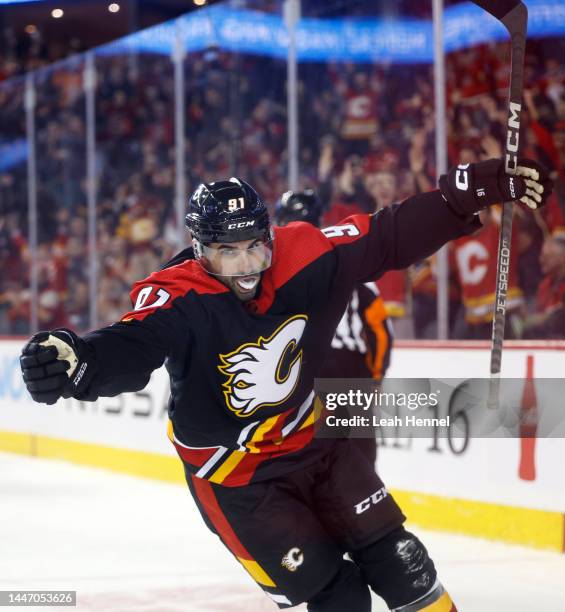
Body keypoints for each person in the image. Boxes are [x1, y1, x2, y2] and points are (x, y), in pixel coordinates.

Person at [20, 160, 551, 611]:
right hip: (237, 480)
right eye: (229, 251)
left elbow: (386, 236)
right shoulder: (175, 296)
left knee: (402, 559)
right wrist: (81, 360)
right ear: (199, 248)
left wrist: (460, 196)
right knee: (338, 597)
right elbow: (132, 345)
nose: (247, 266)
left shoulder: (306, 252)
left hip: (314, 444)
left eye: (256, 245)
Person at [274, 189, 392, 467]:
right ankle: (365, 504)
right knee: (360, 453)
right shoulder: (347, 259)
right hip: (350, 367)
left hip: (307, 369)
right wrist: (375, 377)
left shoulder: (275, 273)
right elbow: (380, 329)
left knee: (312, 452)